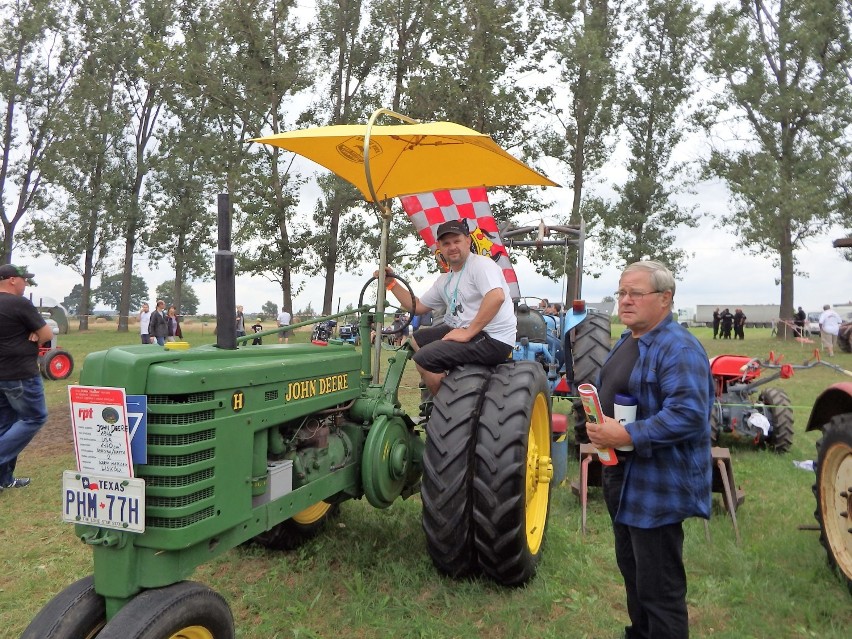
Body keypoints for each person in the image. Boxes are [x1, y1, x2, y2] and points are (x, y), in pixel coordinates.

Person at [586, 260, 713, 639]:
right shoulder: (630, 339)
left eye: (635, 294)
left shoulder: (680, 348)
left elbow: (689, 416)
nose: (625, 301)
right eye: (621, 293)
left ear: (665, 299)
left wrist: (624, 437)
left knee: (660, 590)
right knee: (635, 577)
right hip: (622, 478)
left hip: (656, 485)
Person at [384, 219, 516, 396]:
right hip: (468, 330)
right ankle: (447, 388)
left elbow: (496, 297)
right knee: (417, 339)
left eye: (457, 241)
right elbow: (418, 306)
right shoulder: (446, 280)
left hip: (494, 338)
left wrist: (467, 333)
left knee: (424, 359)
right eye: (446, 243)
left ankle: (446, 409)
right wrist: (391, 283)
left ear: (468, 241)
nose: (452, 247)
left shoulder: (481, 265)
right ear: (439, 247)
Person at [0, 264, 54, 491]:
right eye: (24, 280)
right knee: (35, 417)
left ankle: (4, 480)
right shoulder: (19, 303)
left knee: (5, 425)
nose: (26, 284)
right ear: (12, 280)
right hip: (20, 374)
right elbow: (47, 334)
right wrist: (33, 334)